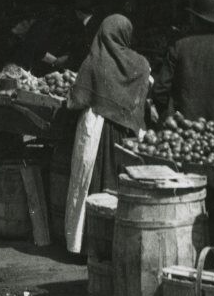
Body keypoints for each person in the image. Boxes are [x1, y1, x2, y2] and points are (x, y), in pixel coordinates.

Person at [63, 14, 154, 253]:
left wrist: (69, 99)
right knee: (122, 185)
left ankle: (91, 245)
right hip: (128, 135)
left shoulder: (94, 61)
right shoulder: (141, 64)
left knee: (92, 183)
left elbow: (78, 99)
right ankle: (123, 245)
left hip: (97, 130)